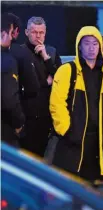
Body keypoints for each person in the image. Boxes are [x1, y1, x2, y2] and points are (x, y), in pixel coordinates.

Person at [50, 26, 103, 181]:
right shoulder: (67, 70)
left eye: (95, 44)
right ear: (79, 46)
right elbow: (56, 103)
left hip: (100, 140)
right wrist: (66, 130)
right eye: (87, 43)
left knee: (95, 189)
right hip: (73, 140)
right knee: (71, 187)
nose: (91, 48)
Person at [20, 16, 62, 157]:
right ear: (26, 32)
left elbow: (61, 80)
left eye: (41, 32)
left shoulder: (51, 52)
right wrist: (45, 82)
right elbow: (25, 84)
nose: (38, 36)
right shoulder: (20, 53)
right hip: (27, 118)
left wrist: (46, 57)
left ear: (45, 33)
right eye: (34, 32)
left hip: (47, 118)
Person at [1, 14, 25, 147]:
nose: (11, 38)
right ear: (4, 33)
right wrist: (18, 123)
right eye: (10, 33)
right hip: (5, 130)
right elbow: (9, 100)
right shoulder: (7, 61)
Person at [5, 12, 40, 99]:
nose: (38, 36)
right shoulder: (22, 53)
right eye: (34, 32)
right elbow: (33, 88)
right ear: (16, 31)